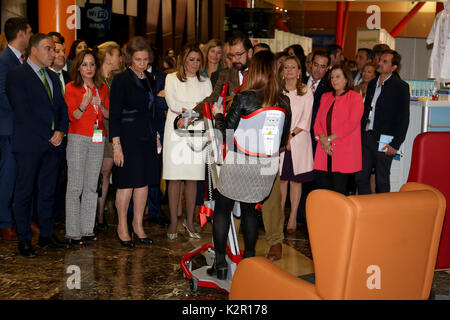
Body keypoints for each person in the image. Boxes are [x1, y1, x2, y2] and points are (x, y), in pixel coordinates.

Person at [208, 50, 291, 279]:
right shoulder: (284, 101)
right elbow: (283, 140)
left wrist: (217, 115)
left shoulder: (244, 97)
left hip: (239, 163)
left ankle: (221, 263)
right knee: (250, 210)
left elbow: (225, 134)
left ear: (253, 71)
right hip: (266, 167)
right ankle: (250, 261)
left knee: (223, 209)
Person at [6, 33, 70, 257]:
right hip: (29, 145)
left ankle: (46, 235)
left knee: (47, 192)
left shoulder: (52, 77)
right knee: (24, 193)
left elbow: (62, 108)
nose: (53, 53)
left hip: (53, 145)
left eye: (54, 49)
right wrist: (50, 134)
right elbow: (23, 112)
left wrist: (61, 130)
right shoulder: (17, 75)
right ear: (33, 50)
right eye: (48, 49)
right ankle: (24, 239)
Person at [110, 36, 160, 248]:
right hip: (127, 139)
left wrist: (155, 133)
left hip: (147, 138)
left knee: (143, 184)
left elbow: (151, 111)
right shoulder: (121, 80)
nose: (142, 63)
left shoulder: (150, 79)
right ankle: (122, 227)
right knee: (126, 184)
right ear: (129, 59)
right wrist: (117, 146)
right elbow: (113, 115)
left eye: (145, 59)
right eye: (138, 59)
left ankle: (138, 225)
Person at [163, 44, 212, 240]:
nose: (195, 63)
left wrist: (191, 112)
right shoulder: (171, 78)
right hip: (175, 131)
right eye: (191, 59)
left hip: (197, 133)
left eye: (198, 60)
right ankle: (174, 221)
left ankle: (190, 221)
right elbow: (172, 103)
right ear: (183, 60)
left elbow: (207, 105)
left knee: (193, 178)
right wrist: (195, 109)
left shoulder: (205, 81)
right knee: (174, 178)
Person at [64, 49, 109, 245]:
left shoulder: (102, 87)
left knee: (92, 185)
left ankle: (87, 229)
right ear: (78, 67)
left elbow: (108, 114)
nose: (89, 68)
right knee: (75, 186)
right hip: (77, 138)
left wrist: (101, 106)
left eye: (92, 64)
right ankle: (73, 232)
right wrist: (84, 104)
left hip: (98, 137)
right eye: (84, 64)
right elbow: (72, 117)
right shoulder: (71, 87)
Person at [355, 50, 410, 195]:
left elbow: (404, 119)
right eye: (380, 60)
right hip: (366, 136)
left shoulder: (401, 86)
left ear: (394, 67)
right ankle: (366, 209)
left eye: (385, 62)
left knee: (382, 180)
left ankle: (383, 212)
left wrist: (395, 144)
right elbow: (366, 110)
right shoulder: (372, 83)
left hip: (385, 140)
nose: (380, 63)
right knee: (360, 176)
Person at [0, 18, 33, 242]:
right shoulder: (4, 60)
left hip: (25, 128)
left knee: (25, 176)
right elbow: (2, 95)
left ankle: (23, 219)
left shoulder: (25, 60)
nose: (31, 36)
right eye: (30, 32)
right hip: (10, 127)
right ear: (21, 34)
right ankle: (4, 223)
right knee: (9, 176)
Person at [313, 64, 364, 195]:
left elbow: (351, 123)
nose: (334, 80)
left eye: (338, 77)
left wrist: (329, 139)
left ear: (346, 79)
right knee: (325, 191)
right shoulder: (326, 97)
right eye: (332, 77)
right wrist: (323, 139)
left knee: (340, 192)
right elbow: (317, 121)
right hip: (325, 150)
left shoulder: (355, 98)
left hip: (344, 151)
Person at [278, 56, 314, 233]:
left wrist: (290, 136)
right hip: (280, 141)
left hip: (298, 141)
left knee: (295, 180)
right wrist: (283, 137)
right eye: (286, 67)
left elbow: (306, 119)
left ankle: (292, 216)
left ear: (300, 71)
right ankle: (280, 215)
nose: (289, 70)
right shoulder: (278, 91)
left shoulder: (306, 91)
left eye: (293, 67)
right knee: (281, 180)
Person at [95, 41, 123, 231]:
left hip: (112, 131)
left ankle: (100, 215)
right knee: (94, 172)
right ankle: (93, 213)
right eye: (117, 55)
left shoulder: (118, 79)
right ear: (107, 57)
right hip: (94, 130)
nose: (120, 58)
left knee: (105, 171)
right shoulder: (94, 77)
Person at [49, 35, 71, 224]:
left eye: (63, 51)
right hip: (50, 136)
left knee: (65, 176)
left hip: (69, 135)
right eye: (57, 51)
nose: (61, 54)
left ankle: (61, 214)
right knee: (50, 178)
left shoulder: (68, 77)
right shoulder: (44, 76)